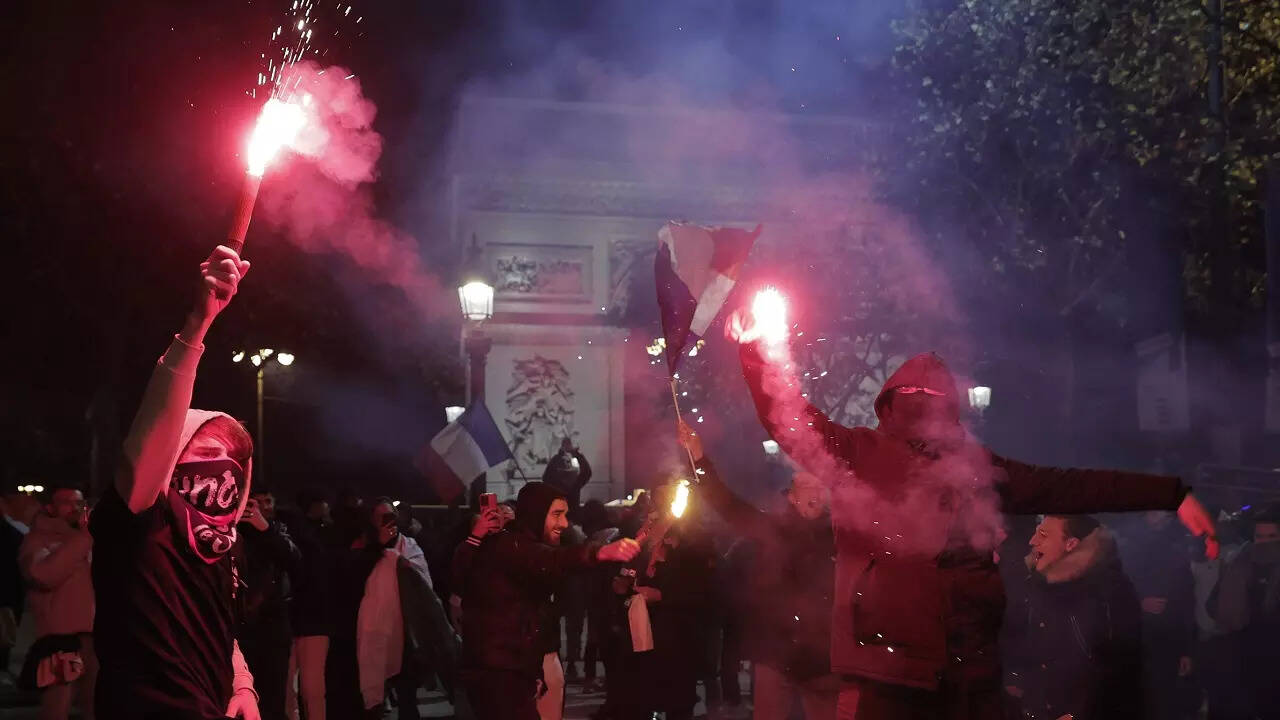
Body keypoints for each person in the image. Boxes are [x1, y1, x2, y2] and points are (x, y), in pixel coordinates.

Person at [725, 306, 1218, 719]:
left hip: (966, 675)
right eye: (914, 398)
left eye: (931, 399)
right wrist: (756, 349)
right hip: (886, 674)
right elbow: (790, 420)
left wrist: (1170, 493)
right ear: (894, 404)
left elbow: (1072, 486)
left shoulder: (978, 469)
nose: (922, 406)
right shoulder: (860, 454)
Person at [90, 245, 259, 719]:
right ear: (172, 459)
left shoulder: (225, 547)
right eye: (204, 454)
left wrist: (242, 685)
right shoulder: (141, 521)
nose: (221, 469)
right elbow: (150, 440)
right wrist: (197, 326)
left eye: (232, 461)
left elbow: (215, 623)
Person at [679, 424, 837, 720]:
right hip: (775, 652)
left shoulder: (837, 536)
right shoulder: (773, 530)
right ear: (792, 497)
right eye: (807, 488)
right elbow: (728, 506)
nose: (816, 493)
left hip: (822, 656)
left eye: (820, 488)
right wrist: (699, 459)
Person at [461, 482, 640, 720]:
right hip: (501, 673)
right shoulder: (511, 545)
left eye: (565, 514)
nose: (564, 523)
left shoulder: (525, 545)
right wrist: (599, 552)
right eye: (556, 514)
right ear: (536, 513)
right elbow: (551, 558)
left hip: (525, 664)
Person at [1002, 515, 1142, 720]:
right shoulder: (1035, 584)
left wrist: (1078, 712)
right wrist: (1015, 678)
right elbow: (1017, 639)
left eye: (1043, 535)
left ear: (1071, 544)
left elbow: (1121, 663)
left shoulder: (1109, 591)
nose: (1032, 541)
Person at [18, 485, 96, 720]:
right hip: (61, 641)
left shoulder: (90, 538)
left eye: (79, 503)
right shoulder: (37, 540)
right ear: (50, 508)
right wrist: (83, 539)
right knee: (57, 705)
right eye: (66, 502)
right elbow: (44, 575)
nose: (75, 508)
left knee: (97, 704)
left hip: (94, 637)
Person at [1120, 511, 1197, 720]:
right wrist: (1139, 603)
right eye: (1156, 513)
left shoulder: (1178, 548)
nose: (1161, 519)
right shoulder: (1126, 547)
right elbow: (1109, 594)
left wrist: (1186, 650)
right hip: (1134, 641)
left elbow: (1186, 602)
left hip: (1167, 642)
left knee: (1165, 702)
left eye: (1166, 515)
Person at [235, 490, 301, 720]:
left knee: (273, 693)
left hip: (274, 621)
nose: (262, 507)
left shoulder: (278, 530)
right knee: (243, 692)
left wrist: (265, 528)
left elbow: (294, 558)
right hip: (241, 623)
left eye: (268, 501)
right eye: (256, 502)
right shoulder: (235, 532)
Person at [1211, 507, 1280, 720]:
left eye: (1272, 536)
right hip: (1242, 655)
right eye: (1260, 536)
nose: (1265, 542)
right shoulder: (1239, 562)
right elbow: (1213, 604)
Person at [286, 490, 335, 720]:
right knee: (311, 689)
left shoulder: (290, 533)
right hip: (313, 617)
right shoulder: (323, 538)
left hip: (298, 616)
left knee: (294, 690)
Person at [542, 438, 593, 517]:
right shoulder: (558, 460)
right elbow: (587, 472)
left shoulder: (556, 460)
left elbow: (546, 478)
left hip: (560, 505)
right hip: (569, 505)